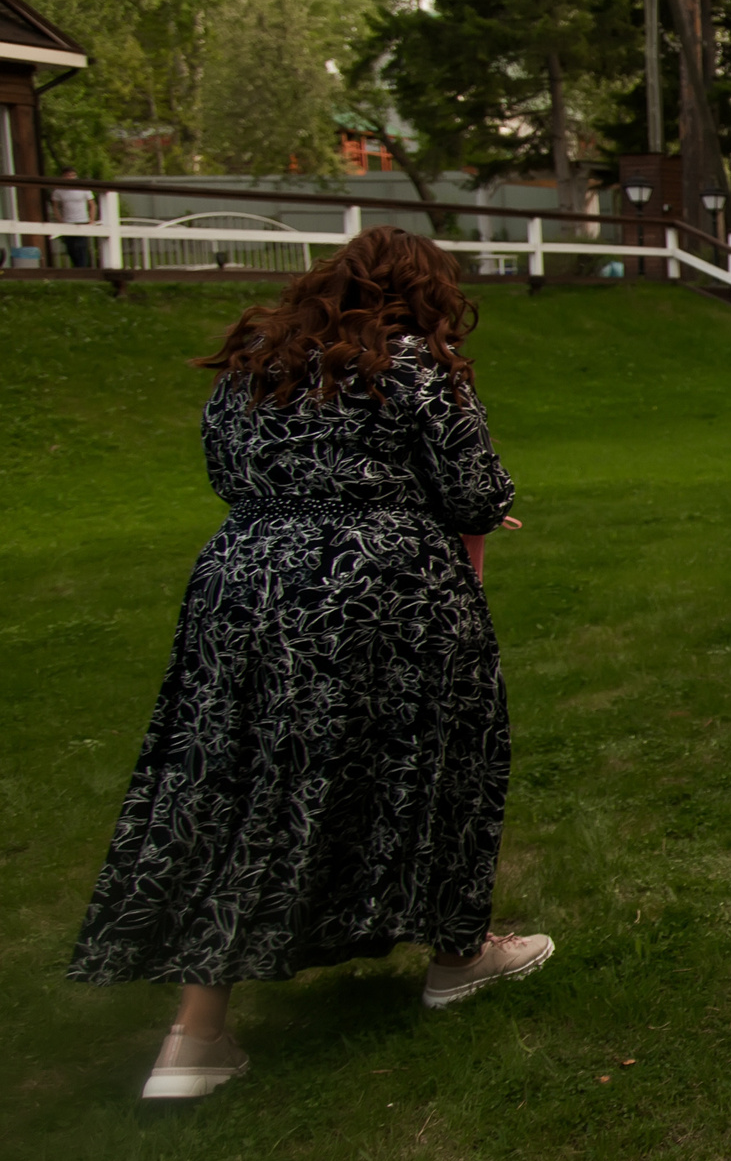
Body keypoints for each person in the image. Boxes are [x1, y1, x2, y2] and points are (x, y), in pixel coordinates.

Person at [67, 228, 551, 1101]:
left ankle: (194, 1035)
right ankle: (456, 952)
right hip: (386, 589)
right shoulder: (416, 364)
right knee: (429, 759)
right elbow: (476, 491)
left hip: (246, 578)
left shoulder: (259, 361)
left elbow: (225, 470)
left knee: (235, 776)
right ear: (426, 290)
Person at [50, 169, 97, 268]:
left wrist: (91, 219)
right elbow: (55, 206)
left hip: (83, 221)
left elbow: (92, 204)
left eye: (73, 175)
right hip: (68, 222)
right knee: (71, 248)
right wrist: (60, 220)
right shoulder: (59, 191)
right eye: (68, 175)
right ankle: (77, 267)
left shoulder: (84, 188)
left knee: (81, 246)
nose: (71, 178)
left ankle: (83, 269)